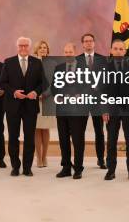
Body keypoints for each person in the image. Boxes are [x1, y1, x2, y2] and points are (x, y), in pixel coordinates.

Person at [0, 36, 46, 176]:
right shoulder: (8, 62)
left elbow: (44, 83)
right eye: (21, 45)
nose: (23, 48)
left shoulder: (37, 62)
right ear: (17, 46)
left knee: (29, 137)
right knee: (13, 137)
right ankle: (15, 166)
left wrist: (35, 92)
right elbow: (3, 82)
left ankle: (27, 167)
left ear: (30, 47)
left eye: (26, 45)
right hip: (12, 106)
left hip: (30, 106)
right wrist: (13, 92)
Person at [102, 39, 129, 181]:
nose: (118, 51)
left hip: (128, 109)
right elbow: (102, 90)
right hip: (111, 110)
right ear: (111, 50)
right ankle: (110, 170)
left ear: (124, 51)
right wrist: (104, 110)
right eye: (115, 48)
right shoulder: (105, 67)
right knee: (111, 141)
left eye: (121, 49)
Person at [53, 43, 89, 179]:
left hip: (78, 109)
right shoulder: (59, 68)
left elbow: (89, 86)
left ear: (75, 52)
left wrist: (80, 95)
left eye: (70, 51)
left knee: (78, 139)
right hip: (62, 109)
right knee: (63, 139)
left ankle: (78, 168)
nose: (68, 54)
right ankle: (66, 167)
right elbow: (54, 88)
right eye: (66, 52)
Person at [76, 33, 108, 169]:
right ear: (82, 44)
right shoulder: (76, 59)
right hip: (82, 100)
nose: (88, 43)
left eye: (91, 41)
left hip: (97, 101)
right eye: (86, 41)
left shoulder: (103, 59)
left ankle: (101, 159)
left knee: (99, 131)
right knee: (79, 132)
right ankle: (79, 161)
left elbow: (107, 80)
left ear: (94, 43)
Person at [33, 40, 55, 168]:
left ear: (48, 50)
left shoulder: (52, 63)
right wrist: (36, 94)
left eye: (45, 47)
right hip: (34, 99)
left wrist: (45, 94)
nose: (43, 49)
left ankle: (44, 156)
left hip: (48, 100)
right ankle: (38, 157)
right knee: (36, 128)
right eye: (40, 47)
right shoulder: (33, 63)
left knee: (45, 129)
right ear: (36, 50)